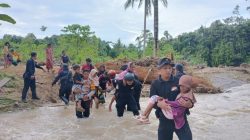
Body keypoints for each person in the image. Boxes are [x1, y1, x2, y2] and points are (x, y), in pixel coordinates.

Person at [150, 58, 193, 140]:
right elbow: (152, 100)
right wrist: (159, 104)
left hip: (181, 118)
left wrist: (190, 104)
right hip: (164, 119)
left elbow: (189, 95)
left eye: (170, 68)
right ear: (159, 70)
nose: (168, 70)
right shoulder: (155, 84)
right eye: (165, 68)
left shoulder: (179, 81)